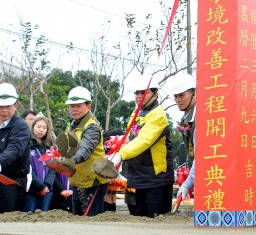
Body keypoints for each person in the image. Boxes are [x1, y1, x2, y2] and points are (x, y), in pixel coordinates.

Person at [111, 76, 175, 217]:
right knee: (137, 222)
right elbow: (129, 139)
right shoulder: (136, 113)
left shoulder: (158, 115)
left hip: (156, 180)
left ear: (155, 94)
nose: (139, 96)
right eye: (137, 93)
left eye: (144, 92)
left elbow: (143, 141)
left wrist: (120, 156)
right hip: (136, 177)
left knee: (155, 223)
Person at [0, 83, 31, 213]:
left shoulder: (21, 126)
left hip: (11, 181)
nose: (4, 110)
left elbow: (14, 148)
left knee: (8, 220)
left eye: (8, 106)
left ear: (15, 105)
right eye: (0, 106)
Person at [62, 86, 109, 216]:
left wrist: (66, 161)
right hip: (79, 182)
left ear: (88, 106)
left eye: (78, 105)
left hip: (94, 182)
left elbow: (84, 150)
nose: (74, 109)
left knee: (91, 222)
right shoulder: (71, 125)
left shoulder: (92, 127)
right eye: (72, 106)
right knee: (78, 220)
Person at [165, 71, 196, 202]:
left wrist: (187, 184)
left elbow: (200, 158)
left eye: (182, 95)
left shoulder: (200, 116)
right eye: (176, 96)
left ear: (194, 93)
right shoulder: (186, 117)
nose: (178, 99)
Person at [23, 115, 56, 212]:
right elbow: (27, 169)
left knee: (43, 218)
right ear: (33, 127)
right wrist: (40, 186)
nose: (41, 130)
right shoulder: (27, 145)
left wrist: (47, 185)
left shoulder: (49, 148)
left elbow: (53, 169)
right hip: (31, 190)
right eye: (38, 127)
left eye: (44, 128)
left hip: (47, 191)